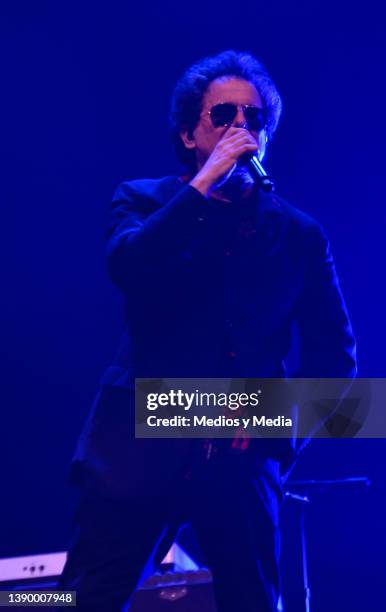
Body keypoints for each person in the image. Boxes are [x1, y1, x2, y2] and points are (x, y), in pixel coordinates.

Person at [58, 50, 357, 611]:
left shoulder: (298, 233)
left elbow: (336, 359)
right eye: (223, 116)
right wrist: (204, 185)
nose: (242, 128)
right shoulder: (142, 201)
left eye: (255, 118)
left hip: (241, 460)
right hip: (138, 448)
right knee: (75, 600)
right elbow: (129, 267)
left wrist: (276, 428)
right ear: (189, 133)